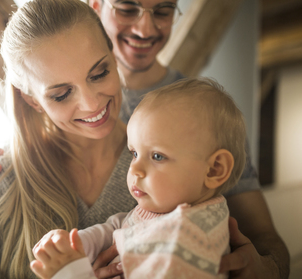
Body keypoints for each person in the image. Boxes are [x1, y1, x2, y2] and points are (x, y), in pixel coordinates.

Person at [0, 0, 290, 278]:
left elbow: (264, 237)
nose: (145, 29)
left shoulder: (205, 114)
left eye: (163, 11)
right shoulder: (16, 170)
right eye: (127, 8)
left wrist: (266, 267)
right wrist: (5, 159)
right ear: (97, 6)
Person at [0, 0, 135, 279]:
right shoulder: (0, 178)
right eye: (61, 94)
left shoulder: (169, 156)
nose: (91, 104)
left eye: (99, 73)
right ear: (32, 100)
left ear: (113, 56)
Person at [30, 78, 247, 279]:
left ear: (214, 170)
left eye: (157, 156)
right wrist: (78, 244)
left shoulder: (188, 239)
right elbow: (121, 226)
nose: (135, 168)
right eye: (134, 153)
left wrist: (72, 272)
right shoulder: (169, 209)